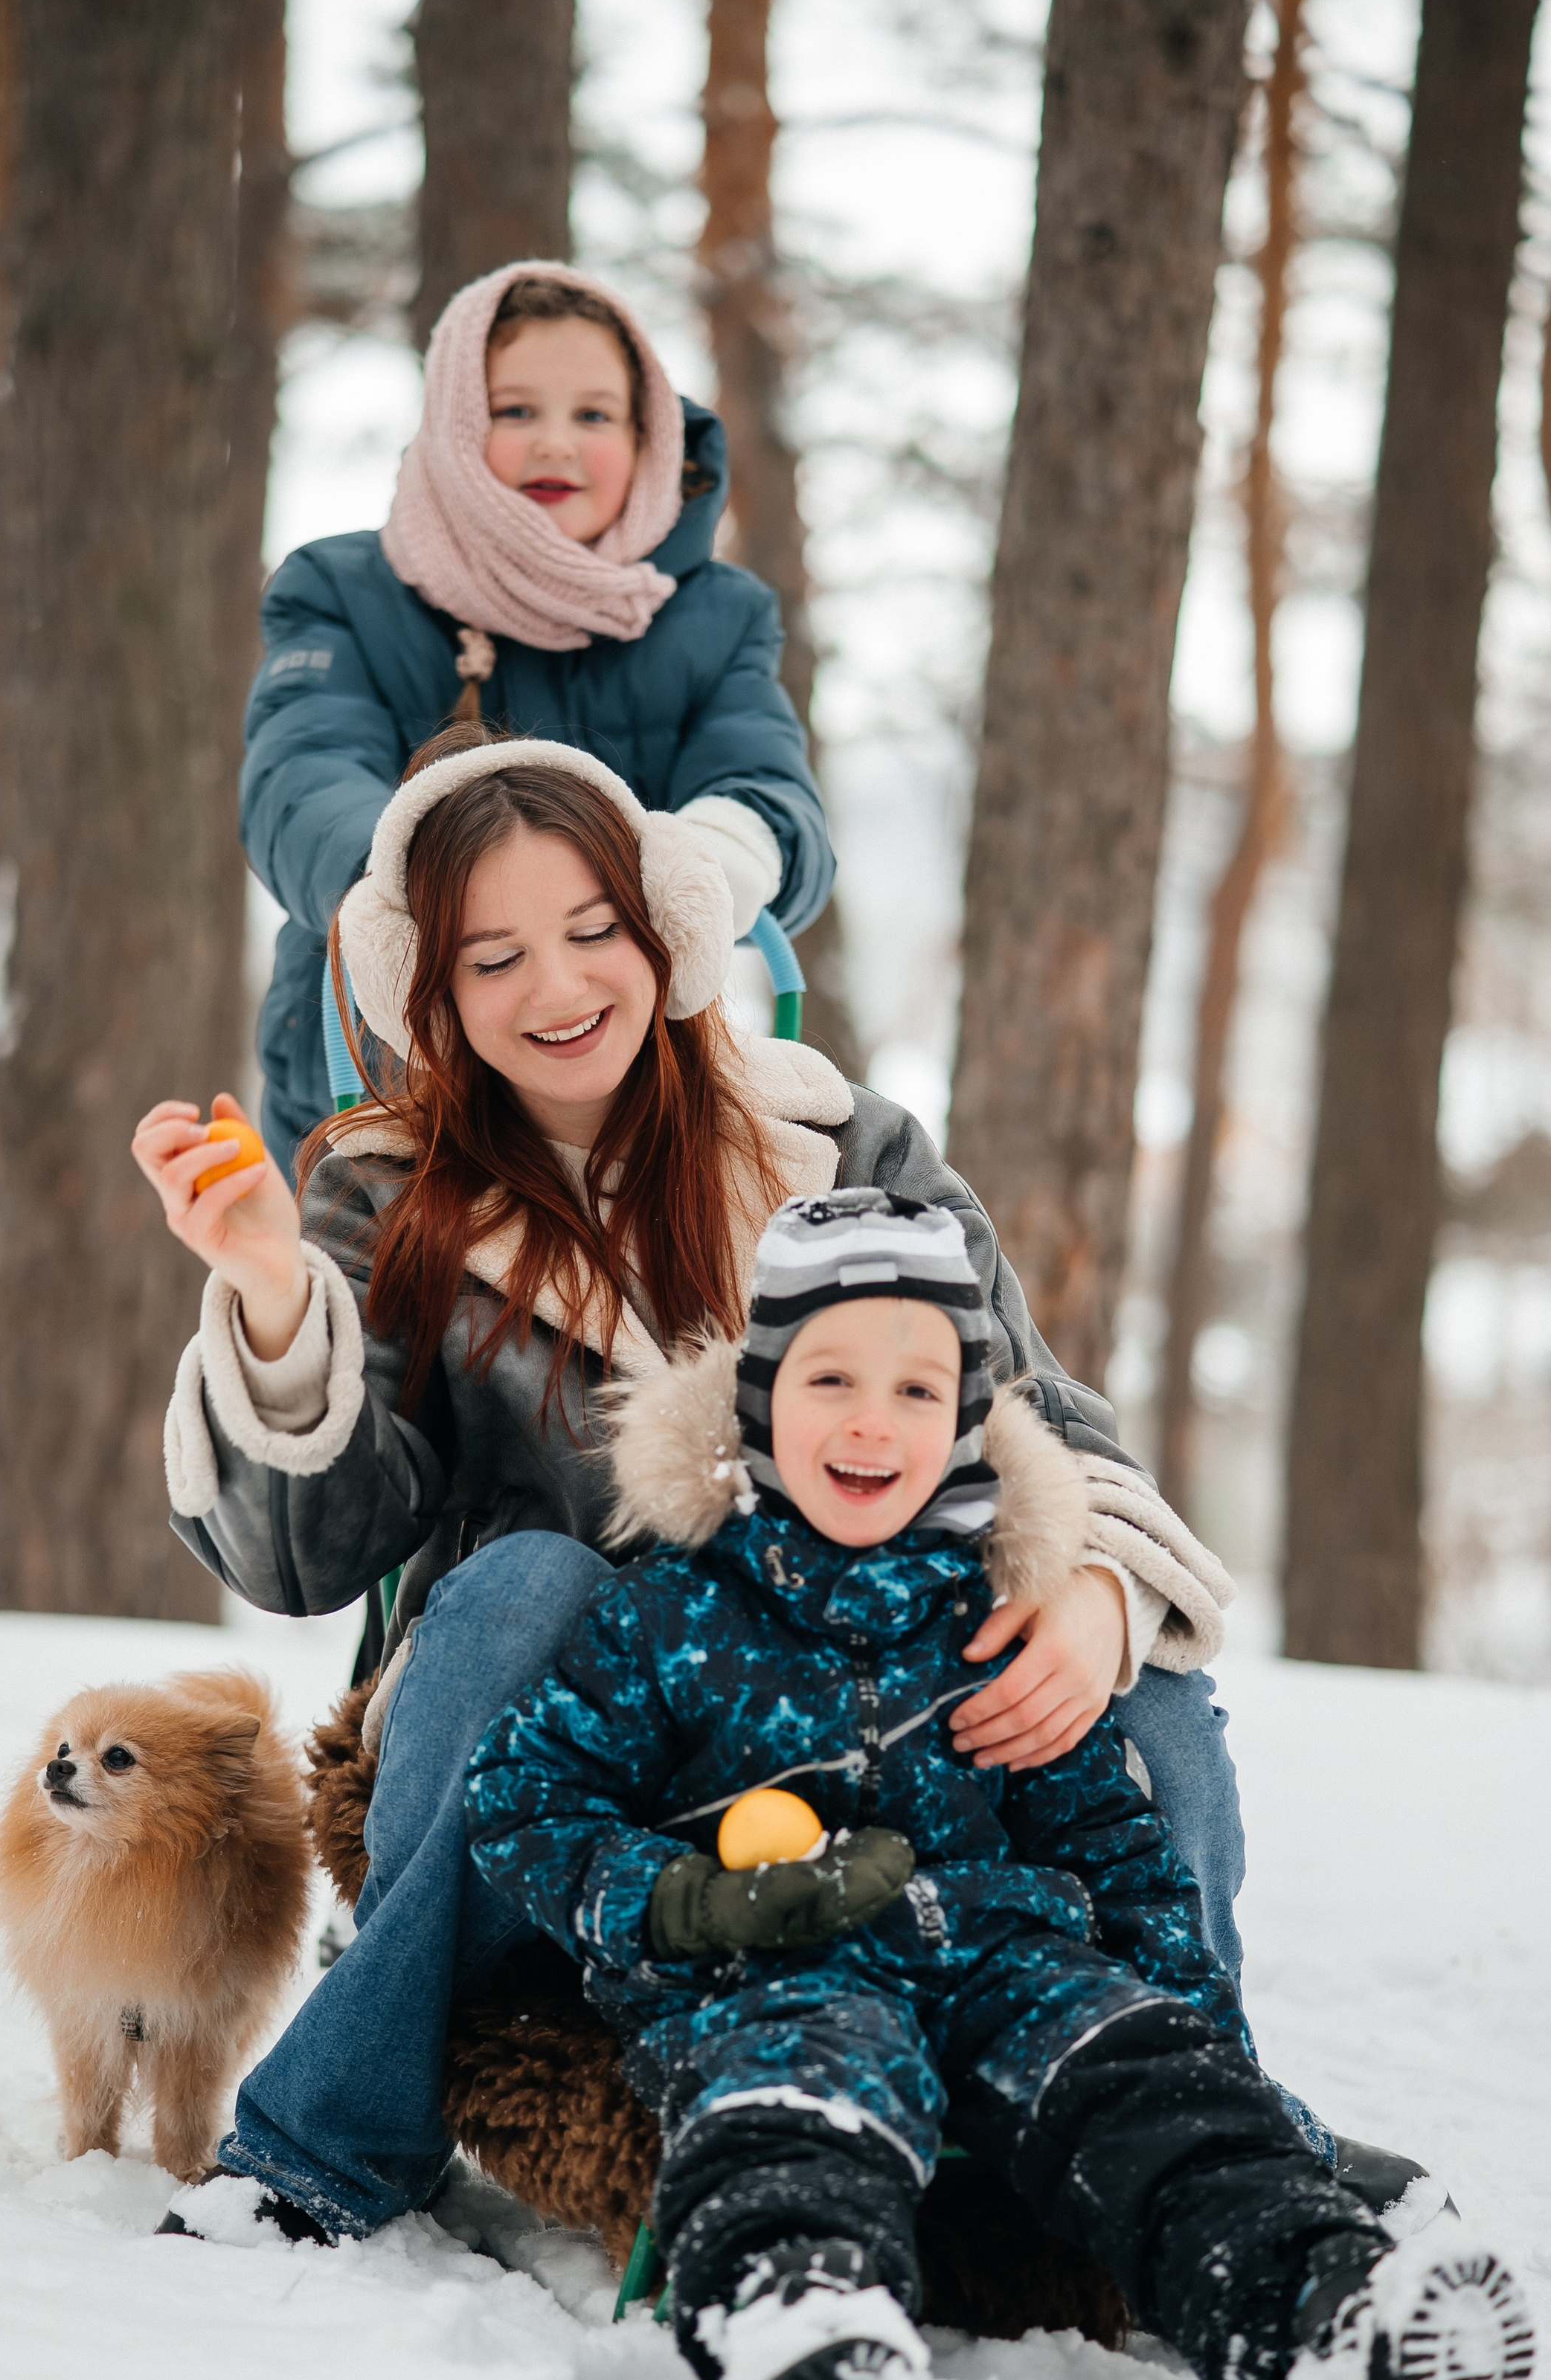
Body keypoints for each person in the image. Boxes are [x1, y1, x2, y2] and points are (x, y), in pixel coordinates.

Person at [133, 727, 1368, 2252]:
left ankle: (1214, 2124)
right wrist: (266, 1289)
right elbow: (304, 1554)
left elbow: (1045, 1426)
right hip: (573, 1739)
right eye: (494, 958)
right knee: (531, 1579)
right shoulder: (387, 1186)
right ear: (435, 995)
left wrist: (1098, 1602)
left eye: (594, 932)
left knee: (1152, 1713)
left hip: (861, 1704)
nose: (559, 988)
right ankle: (330, 2141)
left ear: (666, 933)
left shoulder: (840, 1146)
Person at [461, 1190, 1535, 2380]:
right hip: (781, 1958)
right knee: (806, 2081)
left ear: (969, 1424)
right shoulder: (670, 1617)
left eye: (920, 1392)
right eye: (834, 1379)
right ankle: (793, 2299)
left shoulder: (996, 1619)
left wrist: (1201, 2040)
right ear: (759, 1406)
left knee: (1144, 2086)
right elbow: (526, 1803)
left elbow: (1112, 1846)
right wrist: (688, 1902)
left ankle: (1328, 2311)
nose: (874, 1419)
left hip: (1004, 1955)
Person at [238, 258, 832, 1165]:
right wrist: (422, 891)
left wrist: (703, 864)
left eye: (593, 414)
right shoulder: (347, 592)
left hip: (629, 1076)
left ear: (649, 438)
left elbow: (765, 792)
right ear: (454, 428)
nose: (555, 443)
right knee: (388, 1298)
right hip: (399, 1065)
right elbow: (299, 775)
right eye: (515, 412)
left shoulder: (716, 616)